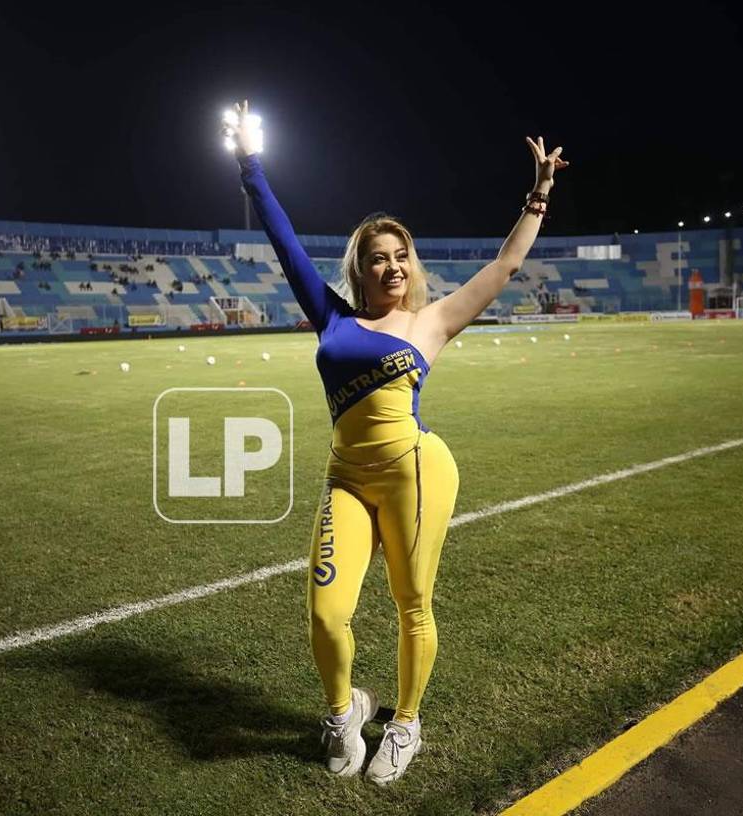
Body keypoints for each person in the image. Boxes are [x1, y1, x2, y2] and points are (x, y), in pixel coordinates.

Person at [225, 99, 567, 784]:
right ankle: (343, 710)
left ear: (412, 265)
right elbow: (285, 242)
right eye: (378, 259)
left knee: (413, 605)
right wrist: (249, 165)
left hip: (416, 472)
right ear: (360, 269)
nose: (392, 268)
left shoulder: (431, 322)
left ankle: (405, 722)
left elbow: (503, 267)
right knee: (327, 613)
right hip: (346, 477)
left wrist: (539, 194)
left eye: (401, 257)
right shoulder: (331, 317)